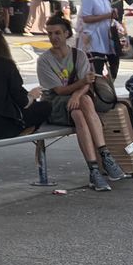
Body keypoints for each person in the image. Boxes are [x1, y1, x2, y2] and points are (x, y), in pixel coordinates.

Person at [34, 18, 123, 192]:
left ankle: (95, 169)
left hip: (77, 104)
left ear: (67, 34)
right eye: (50, 33)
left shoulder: (79, 55)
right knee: (83, 104)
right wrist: (80, 87)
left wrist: (77, 94)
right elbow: (59, 91)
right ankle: (104, 157)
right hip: (55, 104)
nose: (53, 37)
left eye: (57, 33)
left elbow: (87, 84)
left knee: (80, 111)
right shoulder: (44, 60)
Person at [77, 0, 120, 80]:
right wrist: (106, 16)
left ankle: (108, 87)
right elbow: (86, 18)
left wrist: (112, 14)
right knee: (97, 67)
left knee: (114, 62)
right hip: (94, 36)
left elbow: (108, 12)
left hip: (107, 35)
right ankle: (97, 90)